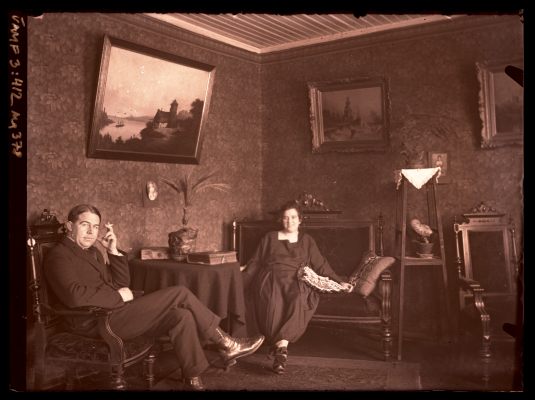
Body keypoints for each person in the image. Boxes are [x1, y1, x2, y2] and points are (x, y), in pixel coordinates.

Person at [44, 204, 264, 391]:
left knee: (181, 315)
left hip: (113, 313)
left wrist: (112, 251)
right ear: (70, 225)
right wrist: (118, 297)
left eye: (95, 226)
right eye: (85, 225)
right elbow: (74, 296)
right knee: (180, 292)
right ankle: (226, 342)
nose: (91, 232)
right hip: (93, 322)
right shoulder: (58, 255)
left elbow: (120, 282)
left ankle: (192, 378)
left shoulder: (92, 252)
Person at [242, 201, 353, 375]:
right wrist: (241, 279)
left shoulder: (307, 240)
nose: (289, 221)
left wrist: (339, 281)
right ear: (281, 220)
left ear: (300, 219)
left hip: (296, 278)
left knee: (298, 299)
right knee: (271, 302)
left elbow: (321, 264)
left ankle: (281, 348)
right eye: (285, 218)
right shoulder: (270, 237)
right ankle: (281, 349)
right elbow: (255, 262)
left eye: (293, 217)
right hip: (271, 277)